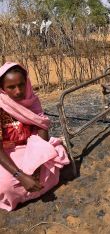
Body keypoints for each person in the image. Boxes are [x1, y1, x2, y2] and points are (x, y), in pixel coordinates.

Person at [0, 62, 69, 211]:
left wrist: (37, 162)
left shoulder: (31, 100)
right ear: (2, 89)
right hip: (5, 153)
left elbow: (41, 127)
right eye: (11, 87)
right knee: (5, 185)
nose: (18, 91)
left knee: (52, 162)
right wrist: (20, 175)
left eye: (21, 85)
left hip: (31, 146)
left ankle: (28, 189)